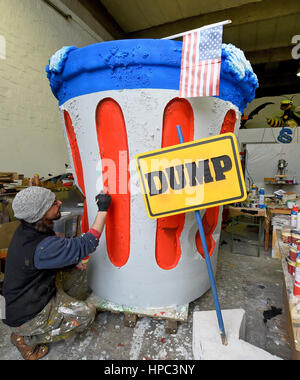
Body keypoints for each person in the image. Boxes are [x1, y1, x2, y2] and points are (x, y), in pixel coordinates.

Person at [2, 186, 111, 360]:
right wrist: (103, 210)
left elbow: (61, 254)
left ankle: (58, 308)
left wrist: (71, 262)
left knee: (82, 274)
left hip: (32, 293)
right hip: (26, 314)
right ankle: (26, 338)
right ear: (42, 213)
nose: (60, 202)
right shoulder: (42, 247)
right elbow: (87, 244)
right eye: (54, 203)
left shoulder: (32, 228)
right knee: (86, 314)